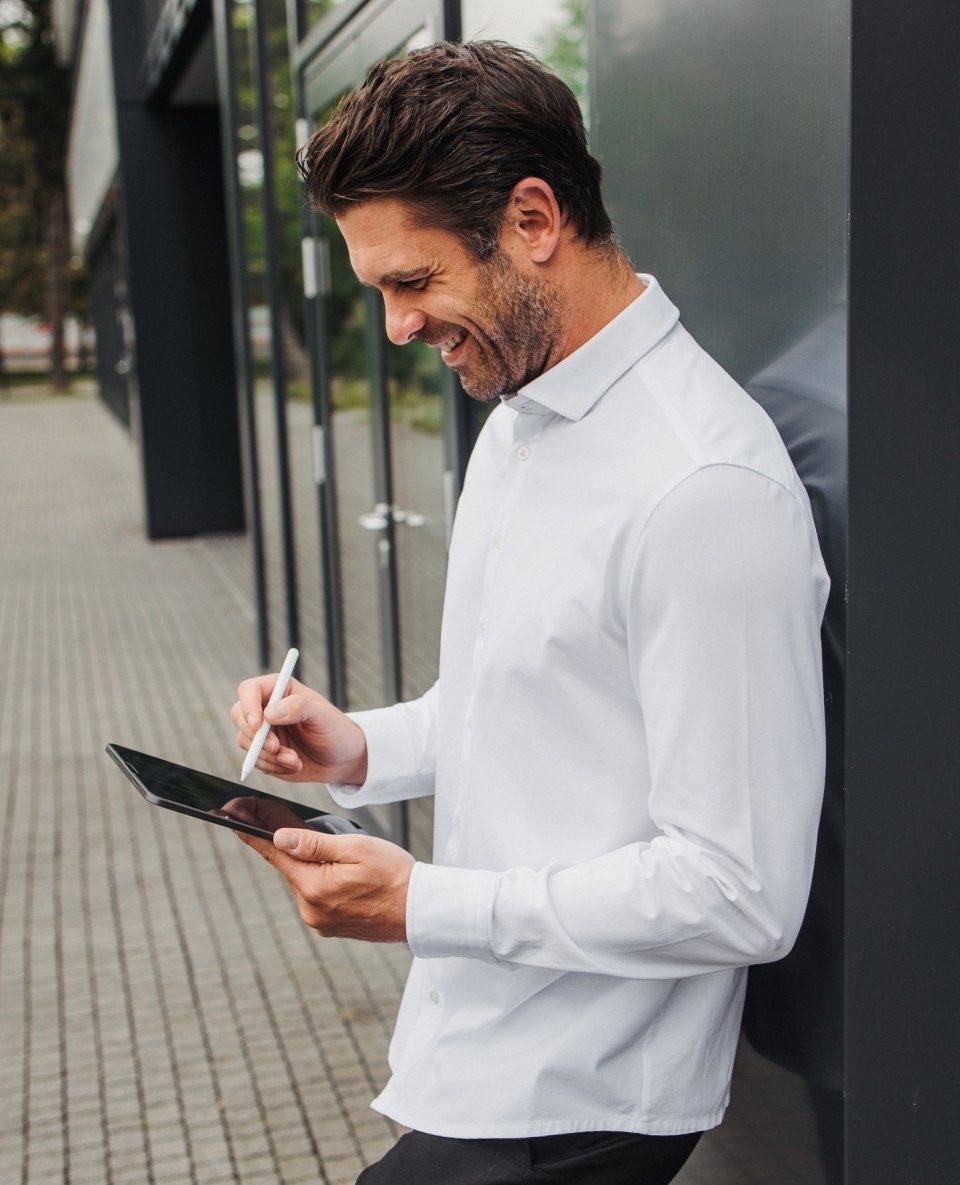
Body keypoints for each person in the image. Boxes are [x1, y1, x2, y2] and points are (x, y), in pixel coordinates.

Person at [230, 40, 829, 1185]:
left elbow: (740, 893)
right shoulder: (519, 419)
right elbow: (525, 699)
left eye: (413, 282)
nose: (399, 327)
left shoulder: (704, 490)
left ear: (535, 220)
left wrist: (427, 903)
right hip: (487, 1053)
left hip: (592, 1096)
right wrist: (359, 745)